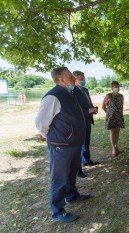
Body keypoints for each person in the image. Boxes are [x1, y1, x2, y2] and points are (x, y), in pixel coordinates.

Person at [35, 67, 91, 223]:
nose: (73, 78)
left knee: (72, 171)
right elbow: (41, 123)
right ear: (61, 80)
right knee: (59, 178)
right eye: (69, 76)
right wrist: (54, 137)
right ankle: (57, 211)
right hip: (61, 145)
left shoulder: (70, 93)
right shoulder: (53, 97)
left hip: (73, 143)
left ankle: (72, 195)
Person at [72, 71, 99, 178]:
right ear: (75, 80)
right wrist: (88, 110)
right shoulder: (72, 91)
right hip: (79, 122)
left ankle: (87, 161)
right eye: (80, 79)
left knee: (86, 142)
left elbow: (88, 103)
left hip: (87, 120)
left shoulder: (85, 90)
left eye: (84, 78)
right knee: (78, 145)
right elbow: (75, 109)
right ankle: (78, 170)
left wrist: (93, 109)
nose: (83, 81)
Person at [102, 81, 125, 157]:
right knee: (112, 132)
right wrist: (108, 114)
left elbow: (121, 106)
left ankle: (116, 146)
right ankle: (113, 148)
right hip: (111, 117)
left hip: (119, 116)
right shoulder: (108, 96)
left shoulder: (121, 96)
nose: (117, 88)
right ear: (112, 88)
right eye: (115, 87)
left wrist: (120, 114)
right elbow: (103, 106)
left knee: (117, 131)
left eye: (118, 87)